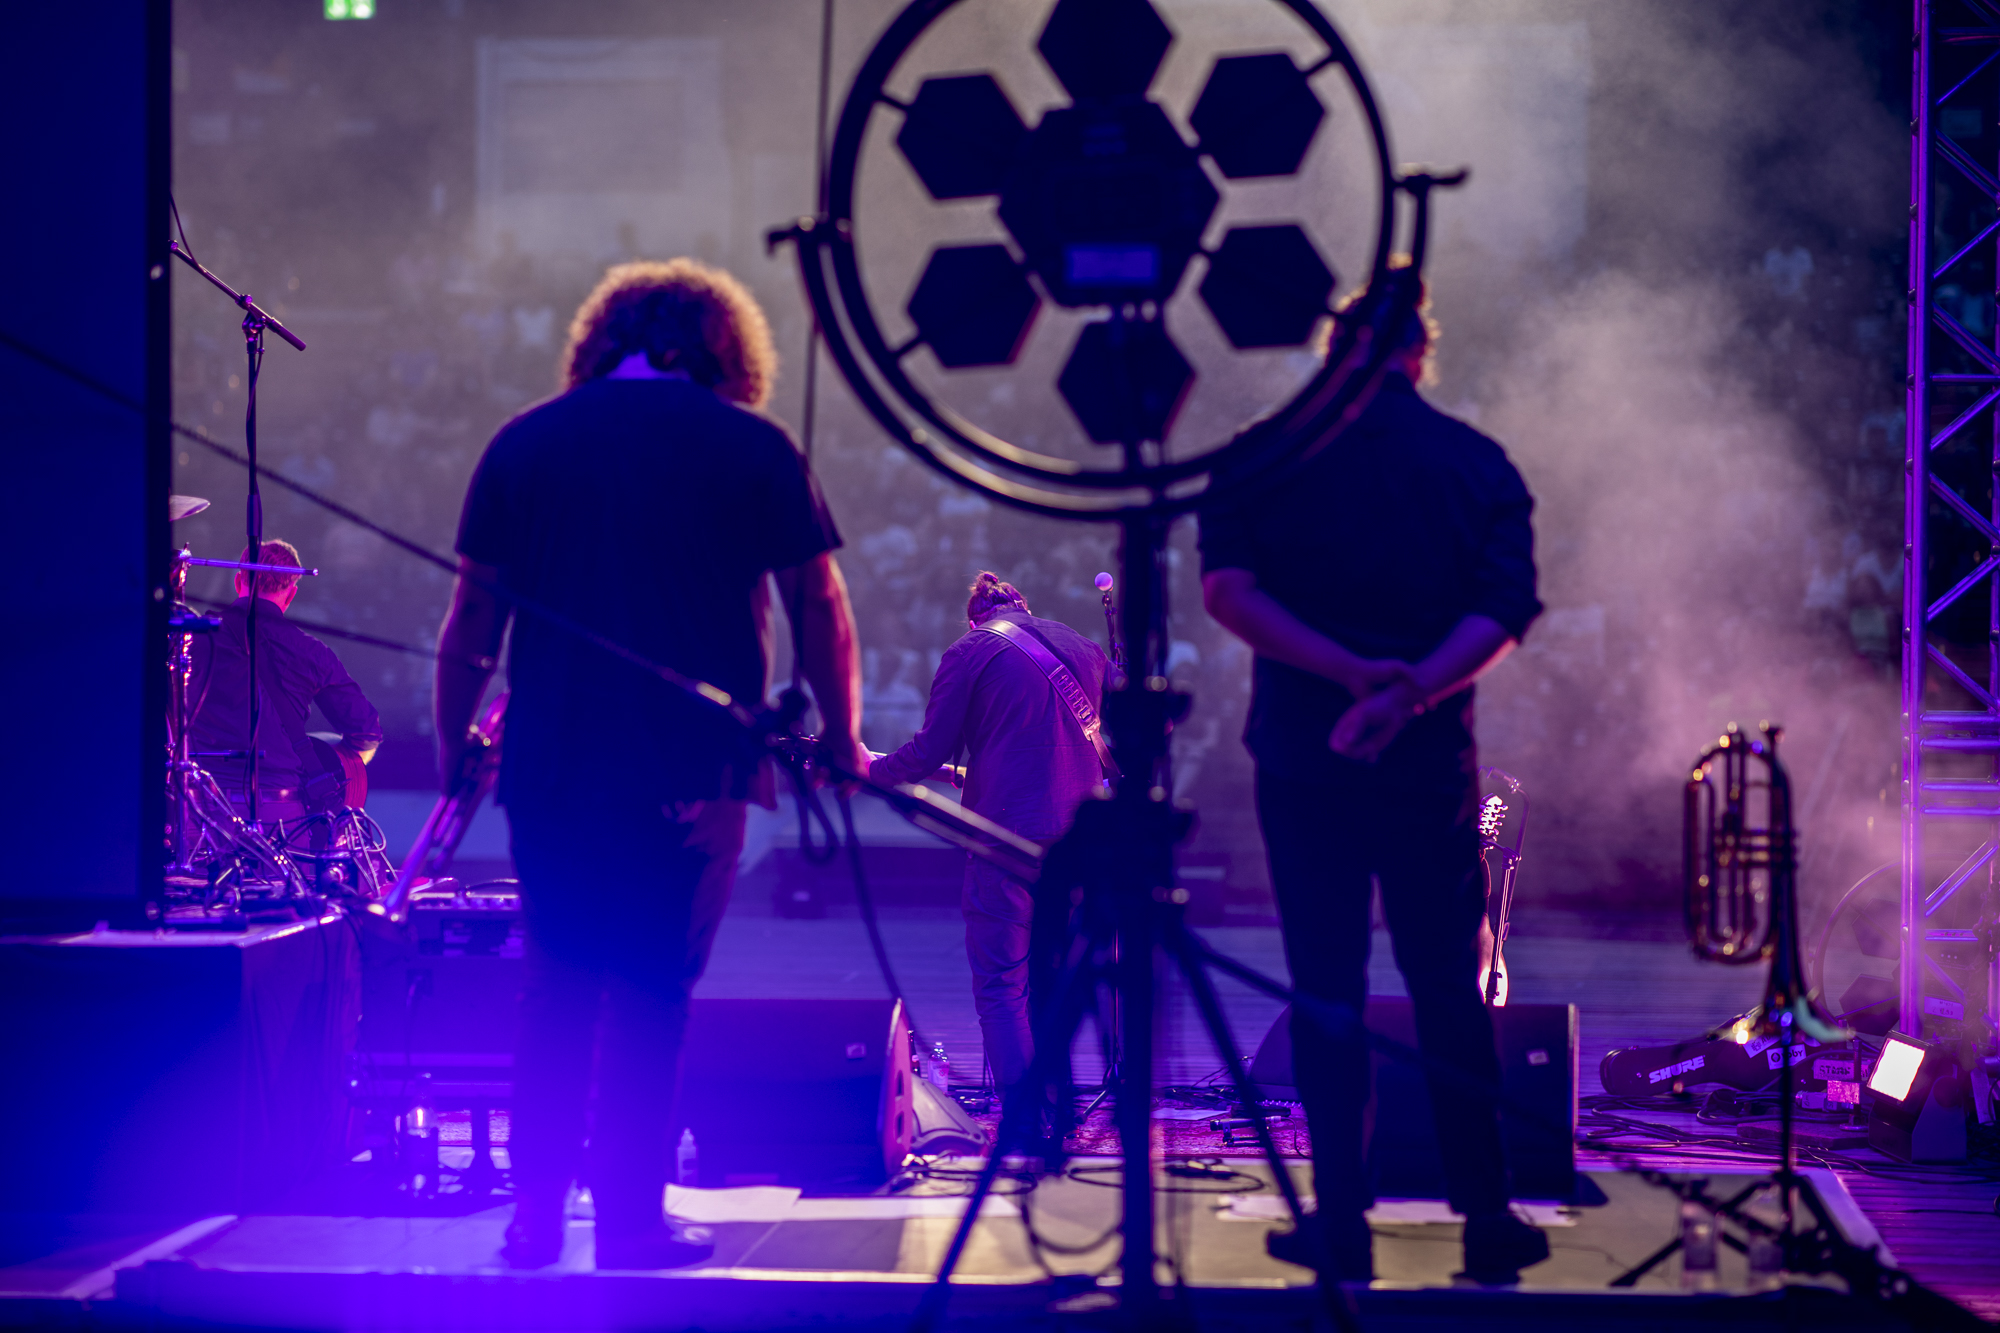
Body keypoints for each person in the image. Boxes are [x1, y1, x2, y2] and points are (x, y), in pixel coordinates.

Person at [434, 259, 866, 1271]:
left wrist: (460, 745)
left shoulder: (525, 442)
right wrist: (842, 743)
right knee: (648, 991)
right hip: (693, 775)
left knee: (557, 988)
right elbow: (820, 606)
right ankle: (628, 1222)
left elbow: (469, 626)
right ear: (724, 350)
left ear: (598, 341)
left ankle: (532, 1221)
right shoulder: (751, 445)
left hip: (550, 771)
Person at [1199, 277, 1549, 1285]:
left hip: (1303, 759)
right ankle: (1484, 1218)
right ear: (1417, 351)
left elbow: (1228, 591)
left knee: (1323, 985)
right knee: (1446, 985)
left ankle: (1339, 1221)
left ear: (1330, 349)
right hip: (1426, 761)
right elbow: (1505, 606)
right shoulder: (1474, 462)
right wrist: (1409, 691)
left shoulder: (1261, 453)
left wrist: (1344, 675)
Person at [869, 573, 1111, 1091]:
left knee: (1004, 984)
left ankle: (1025, 1115)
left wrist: (873, 769)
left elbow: (928, 750)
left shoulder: (969, 651)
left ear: (977, 618)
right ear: (1025, 608)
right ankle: (1061, 1099)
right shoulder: (1083, 645)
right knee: (1062, 978)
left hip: (1006, 839)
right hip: (1084, 844)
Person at [185, 537, 381, 823]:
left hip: (201, 811)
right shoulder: (311, 652)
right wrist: (338, 762)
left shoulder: (191, 640)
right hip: (280, 816)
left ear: (239, 581)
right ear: (291, 594)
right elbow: (366, 732)